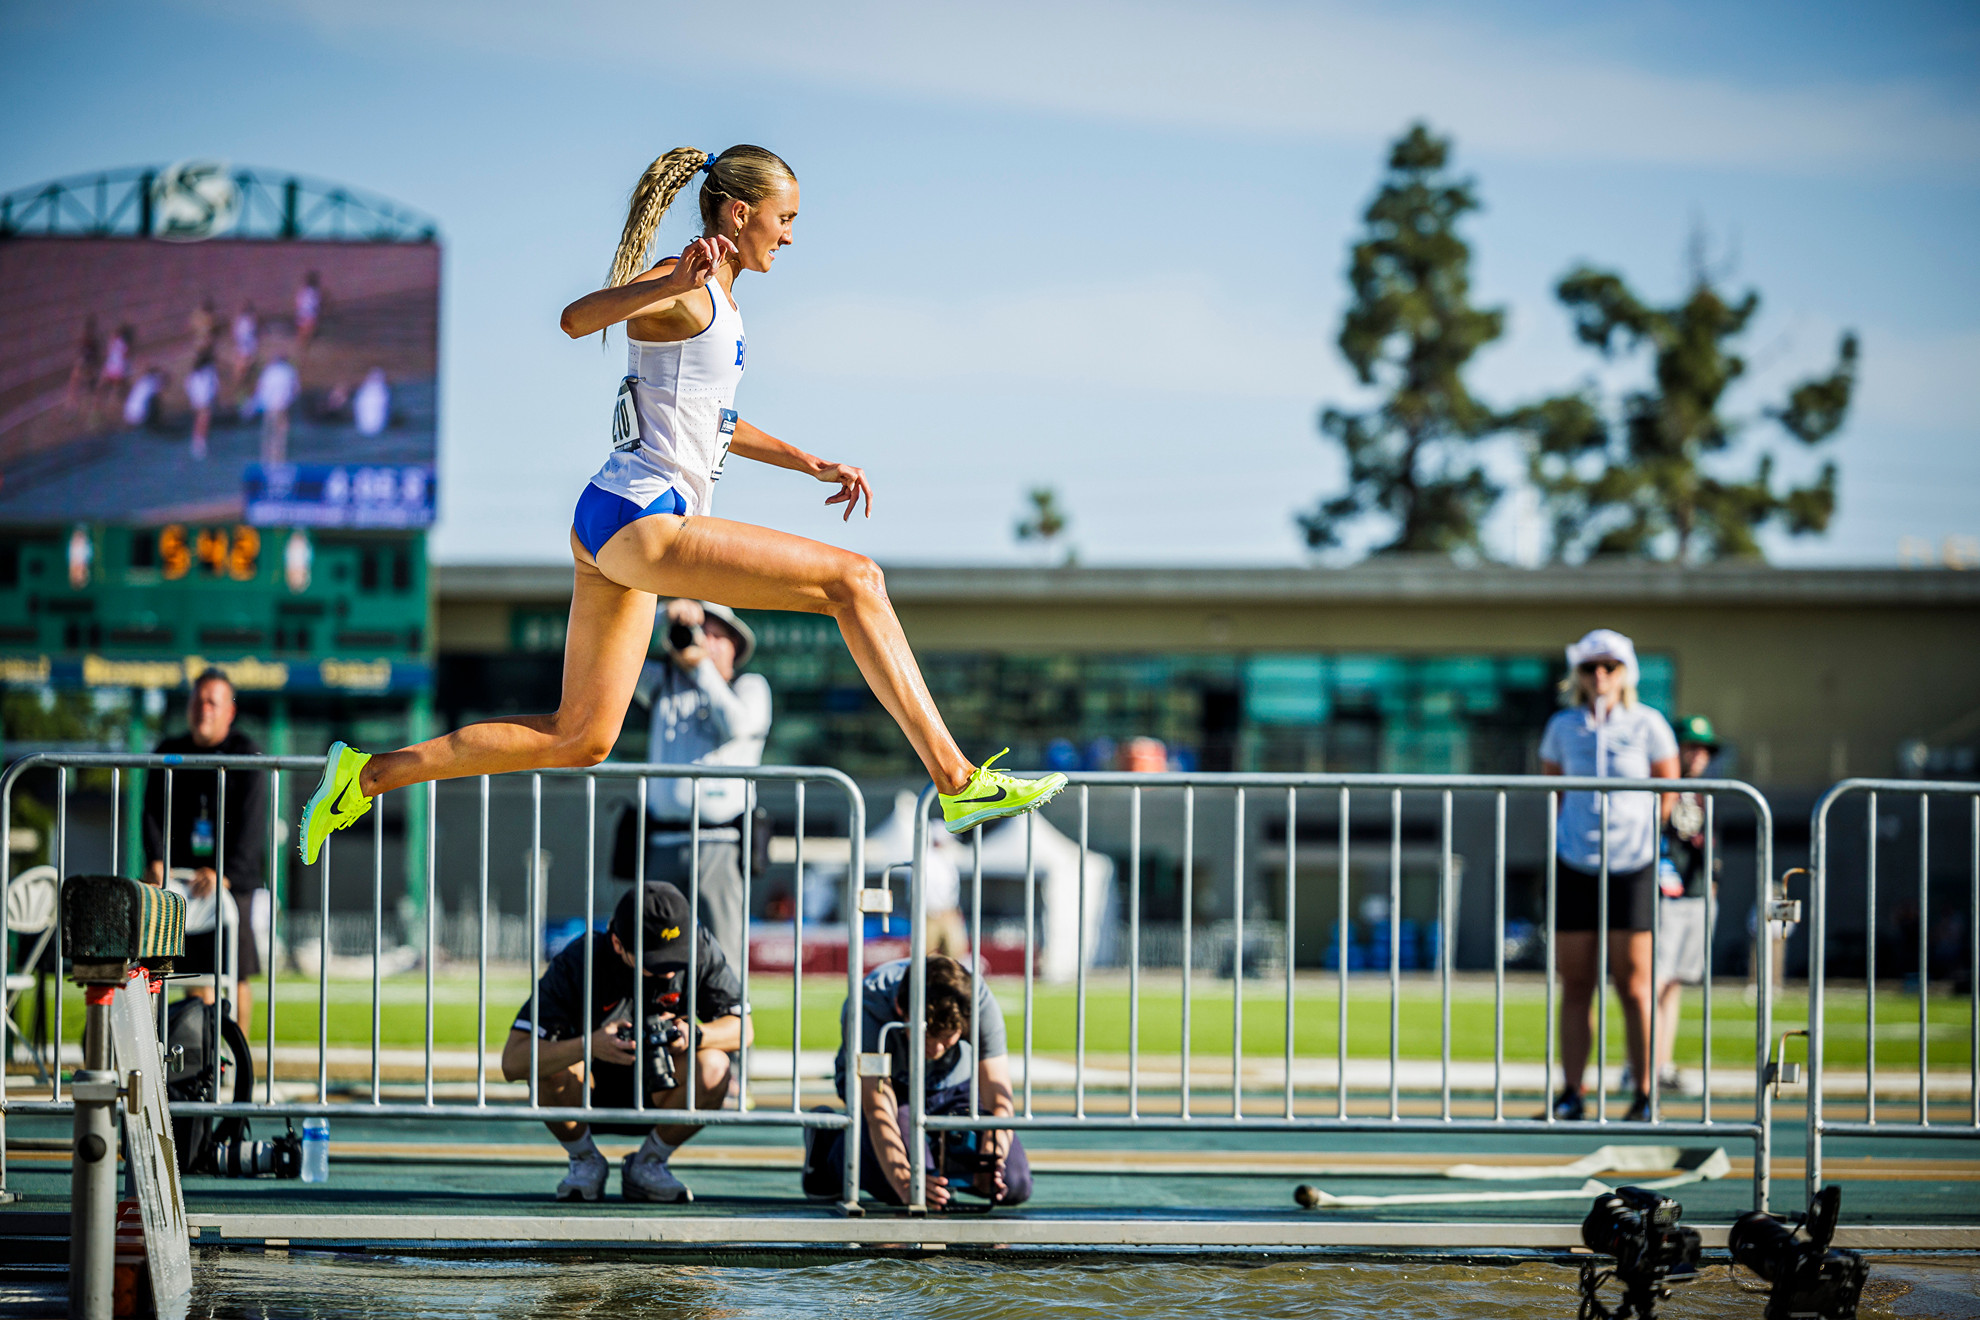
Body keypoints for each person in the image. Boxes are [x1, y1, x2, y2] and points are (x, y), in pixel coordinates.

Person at [294, 144, 1065, 866]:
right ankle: (958, 780)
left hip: (609, 521)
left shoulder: (721, 302)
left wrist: (804, 460)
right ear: (737, 213)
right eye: (785, 218)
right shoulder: (689, 285)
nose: (790, 237)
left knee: (580, 737)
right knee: (856, 580)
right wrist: (668, 283)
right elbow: (575, 320)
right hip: (643, 517)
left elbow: (711, 420)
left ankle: (362, 778)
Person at [501, 880, 751, 1203]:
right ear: (617, 944)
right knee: (549, 1065)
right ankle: (585, 1160)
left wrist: (695, 1034)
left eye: (677, 960)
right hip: (588, 1092)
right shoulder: (581, 959)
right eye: (656, 963)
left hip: (663, 1090)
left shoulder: (699, 946)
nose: (668, 972)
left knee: (716, 1065)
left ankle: (648, 1163)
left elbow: (744, 1029)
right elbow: (513, 1062)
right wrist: (589, 1044)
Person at [1538, 628, 1679, 1123]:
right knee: (1575, 983)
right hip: (1576, 863)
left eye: (1610, 666)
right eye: (1590, 667)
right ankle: (1572, 1091)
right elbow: (1556, 788)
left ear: (1626, 674)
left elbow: (1670, 787)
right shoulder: (1562, 725)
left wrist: (1641, 836)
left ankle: (1643, 1092)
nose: (1599, 675)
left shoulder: (1649, 724)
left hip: (1631, 865)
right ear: (1576, 674)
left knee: (1634, 984)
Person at [805, 954, 1029, 1208]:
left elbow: (997, 1094)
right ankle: (831, 1142)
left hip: (954, 1082)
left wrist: (991, 1155)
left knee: (1015, 1185)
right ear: (901, 1010)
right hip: (891, 1087)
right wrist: (903, 1182)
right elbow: (876, 1107)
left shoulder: (977, 1000)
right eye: (926, 1036)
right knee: (902, 1184)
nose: (935, 1047)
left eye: (947, 1037)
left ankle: (936, 1166)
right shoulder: (868, 1003)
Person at [635, 597, 769, 969]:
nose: (702, 640)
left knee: (722, 956)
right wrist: (665, 616)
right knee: (652, 952)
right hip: (662, 839)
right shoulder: (663, 683)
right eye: (698, 631)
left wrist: (702, 669)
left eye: (714, 634)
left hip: (721, 843)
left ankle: (728, 1026)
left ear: (734, 647)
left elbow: (739, 726)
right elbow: (614, 656)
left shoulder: (750, 685)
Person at [141, 668, 267, 1033]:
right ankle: (191, 1055)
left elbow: (251, 824)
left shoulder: (247, 754)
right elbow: (151, 814)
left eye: (212, 701)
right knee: (190, 971)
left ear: (230, 710)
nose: (203, 709)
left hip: (230, 881)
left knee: (235, 973)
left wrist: (223, 873)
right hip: (179, 880)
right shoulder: (169, 752)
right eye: (197, 700)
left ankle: (234, 1059)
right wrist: (156, 861)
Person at [1649, 714, 1722, 1096]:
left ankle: (1664, 1063)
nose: (1698, 756)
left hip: (1697, 894)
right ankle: (1643, 1064)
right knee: (1655, 980)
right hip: (1667, 893)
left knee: (1674, 982)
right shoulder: (1664, 785)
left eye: (1704, 749)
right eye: (1691, 747)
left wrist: (1712, 881)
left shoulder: (1704, 791)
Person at [253, 353, 300, 465]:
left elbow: (260, 389)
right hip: (281, 407)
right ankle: (277, 460)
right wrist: (288, 402)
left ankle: (267, 459)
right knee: (279, 436)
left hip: (269, 407)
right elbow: (295, 390)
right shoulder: (289, 371)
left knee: (268, 434)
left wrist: (259, 404)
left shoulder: (268, 370)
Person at [185, 350, 219, 459]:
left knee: (202, 419)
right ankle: (199, 442)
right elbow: (213, 386)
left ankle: (199, 441)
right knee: (203, 419)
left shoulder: (199, 372)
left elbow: (188, 385)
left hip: (200, 398)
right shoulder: (207, 371)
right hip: (203, 398)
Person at [294, 271, 322, 355]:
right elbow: (316, 305)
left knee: (302, 335)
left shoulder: (303, 291)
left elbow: (298, 302)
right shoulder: (314, 293)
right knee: (307, 335)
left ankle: (300, 351)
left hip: (302, 314)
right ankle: (303, 352)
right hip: (309, 315)